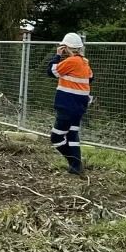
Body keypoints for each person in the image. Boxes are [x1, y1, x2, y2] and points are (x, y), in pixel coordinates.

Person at [47, 32, 94, 176]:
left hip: (67, 105)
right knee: (72, 134)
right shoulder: (84, 62)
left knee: (56, 137)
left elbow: (51, 71)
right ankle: (75, 167)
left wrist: (57, 55)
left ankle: (75, 163)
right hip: (79, 106)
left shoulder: (71, 61)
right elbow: (91, 78)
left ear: (66, 47)